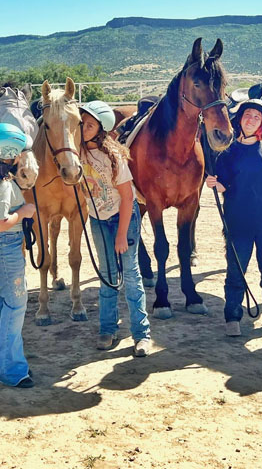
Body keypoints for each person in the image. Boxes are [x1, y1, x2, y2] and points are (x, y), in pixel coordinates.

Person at [205, 99, 262, 337]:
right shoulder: (228, 153)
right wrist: (215, 183)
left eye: (256, 117)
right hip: (239, 224)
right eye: (247, 115)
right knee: (236, 274)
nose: (251, 120)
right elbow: (224, 184)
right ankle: (232, 317)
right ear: (240, 119)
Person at [79, 100, 151, 357]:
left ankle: (142, 334)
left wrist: (122, 234)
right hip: (97, 219)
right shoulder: (76, 153)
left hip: (123, 217)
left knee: (131, 275)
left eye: (89, 125)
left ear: (101, 129)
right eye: (82, 124)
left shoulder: (115, 157)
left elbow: (128, 197)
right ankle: (108, 329)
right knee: (107, 275)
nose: (84, 128)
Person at [0, 123, 36, 388]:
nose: (21, 155)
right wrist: (22, 213)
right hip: (3, 243)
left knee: (1, 300)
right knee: (16, 302)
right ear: (9, 153)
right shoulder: (0, 184)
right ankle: (11, 370)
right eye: (19, 151)